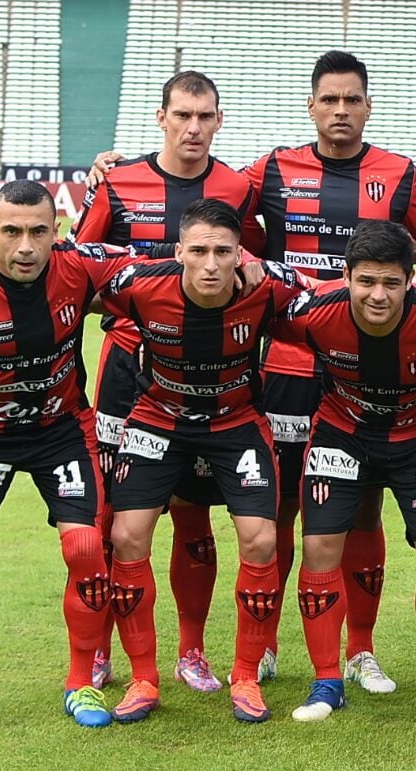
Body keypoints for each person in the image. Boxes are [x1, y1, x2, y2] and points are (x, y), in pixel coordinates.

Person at [240, 50, 416, 691]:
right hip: (294, 363)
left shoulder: (397, 173)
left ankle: (361, 650)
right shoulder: (269, 169)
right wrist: (114, 169)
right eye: (329, 100)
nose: (340, 111)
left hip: (377, 362)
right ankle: (264, 645)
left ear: (368, 105)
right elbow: (208, 210)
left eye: (352, 100)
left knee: (367, 508)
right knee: (289, 505)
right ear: (311, 105)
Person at [0, 180, 146, 731]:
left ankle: (80, 683)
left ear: (56, 232)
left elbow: (156, 261)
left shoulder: (79, 267)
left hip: (61, 431)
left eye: (39, 232)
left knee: (86, 545)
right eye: (13, 231)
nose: (26, 246)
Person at [272, 220, 416, 726]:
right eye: (366, 282)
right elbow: (252, 307)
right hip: (340, 433)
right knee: (318, 548)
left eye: (391, 283)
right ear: (346, 276)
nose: (378, 296)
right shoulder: (312, 312)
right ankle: (326, 683)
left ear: (411, 280)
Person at [72, 70, 257, 693]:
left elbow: (250, 264)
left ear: (219, 119)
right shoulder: (119, 182)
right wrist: (140, 308)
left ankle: (191, 651)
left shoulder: (237, 185)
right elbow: (76, 273)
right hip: (128, 370)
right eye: (183, 115)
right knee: (110, 514)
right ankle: (98, 649)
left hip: (207, 373)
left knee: (193, 514)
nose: (194, 128)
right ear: (161, 118)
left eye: (205, 116)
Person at [97, 198, 309, 724]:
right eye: (199, 251)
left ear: (241, 254)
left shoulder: (269, 286)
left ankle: (245, 675)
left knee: (261, 537)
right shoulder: (139, 286)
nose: (211, 263)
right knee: (125, 536)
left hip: (235, 422)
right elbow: (71, 280)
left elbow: (336, 295)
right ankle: (144, 678)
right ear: (179, 252)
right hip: (158, 419)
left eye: (222, 251)